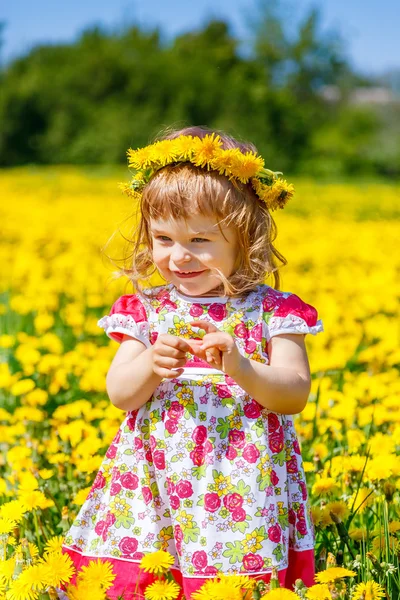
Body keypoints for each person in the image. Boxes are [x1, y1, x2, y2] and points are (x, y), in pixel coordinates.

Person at [62, 126, 324, 599]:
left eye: (200, 240)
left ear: (245, 237)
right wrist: (149, 366)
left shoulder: (274, 312)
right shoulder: (147, 308)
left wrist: (241, 368)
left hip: (241, 486)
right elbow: (120, 392)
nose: (178, 257)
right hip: (155, 482)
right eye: (163, 238)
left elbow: (294, 393)